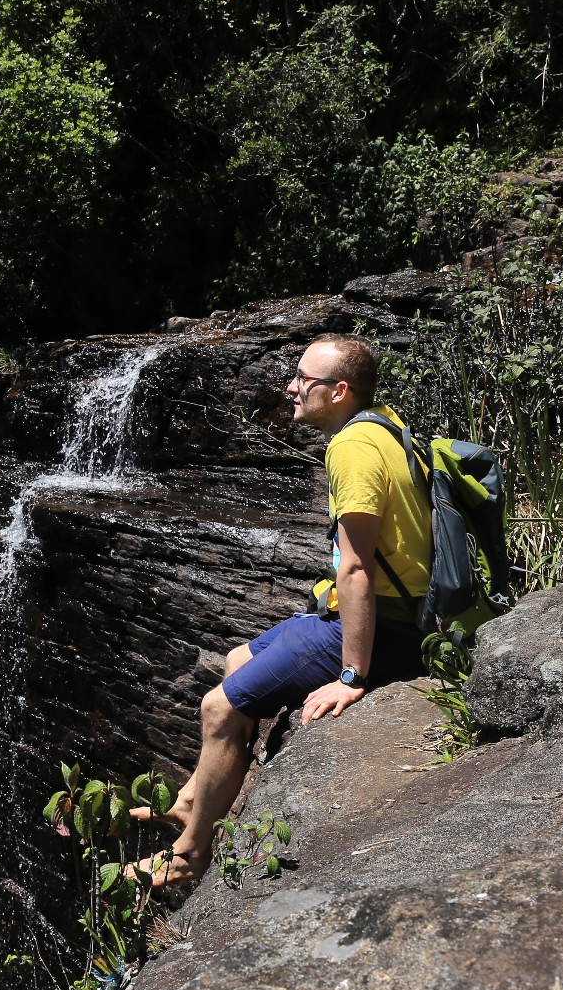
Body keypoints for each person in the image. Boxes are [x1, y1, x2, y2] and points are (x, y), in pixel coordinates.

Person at [130, 333, 431, 886]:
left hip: (384, 626)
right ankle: (193, 798)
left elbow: (357, 568)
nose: (291, 387)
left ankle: (188, 856)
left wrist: (351, 675)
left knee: (218, 709)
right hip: (386, 611)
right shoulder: (382, 424)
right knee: (237, 660)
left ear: (339, 391)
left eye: (304, 380)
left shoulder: (352, 449)